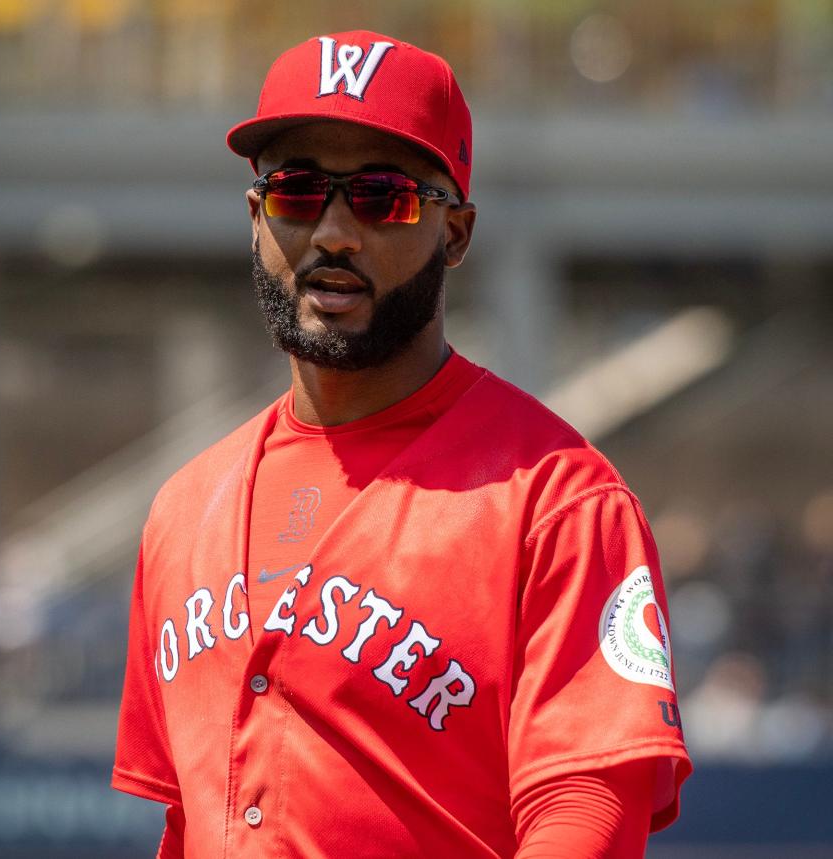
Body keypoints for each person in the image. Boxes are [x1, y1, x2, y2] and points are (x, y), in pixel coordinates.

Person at [112, 30, 692, 858]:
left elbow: (587, 806)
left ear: (454, 233)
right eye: (299, 192)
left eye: (381, 196)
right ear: (256, 217)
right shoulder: (181, 509)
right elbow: (186, 820)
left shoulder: (560, 500)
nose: (335, 233)